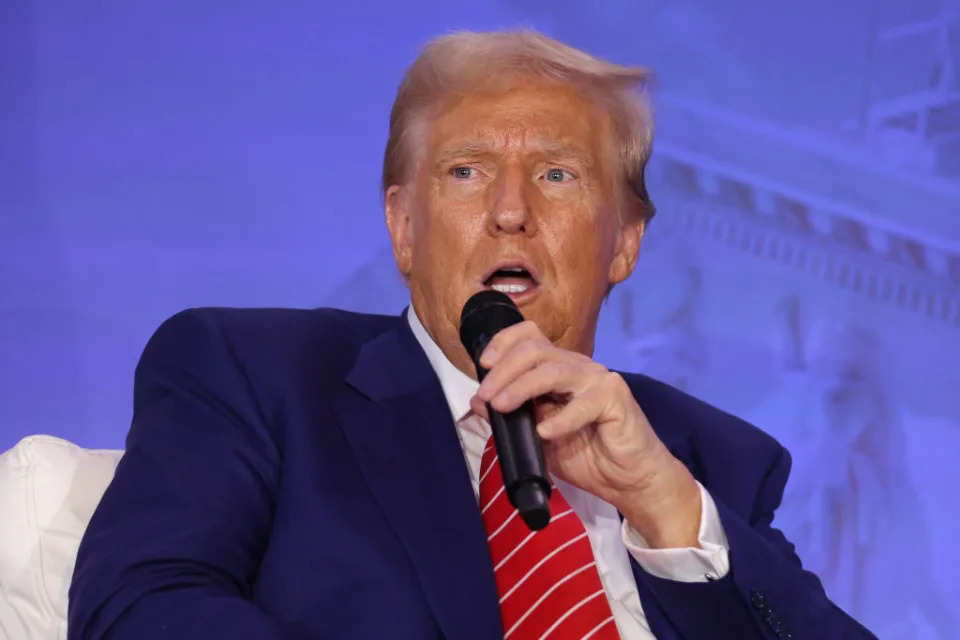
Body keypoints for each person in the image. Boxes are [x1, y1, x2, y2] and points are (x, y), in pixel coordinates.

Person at [68, 30, 875, 639]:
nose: (510, 210)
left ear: (625, 241)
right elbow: (141, 606)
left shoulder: (709, 459)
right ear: (403, 226)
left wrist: (664, 504)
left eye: (557, 173)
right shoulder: (255, 376)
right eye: (467, 170)